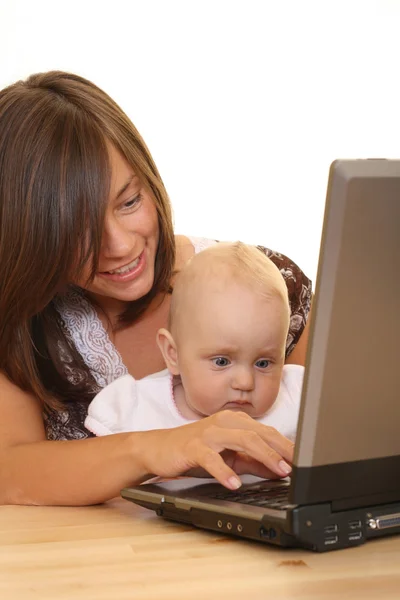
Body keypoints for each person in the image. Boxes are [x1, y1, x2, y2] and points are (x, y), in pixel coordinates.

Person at [0, 71, 312, 507]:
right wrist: (160, 446)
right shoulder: (20, 324)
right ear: (31, 235)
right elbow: (9, 472)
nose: (122, 245)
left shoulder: (272, 289)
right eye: (78, 230)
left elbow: (343, 443)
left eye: (129, 202)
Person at [85, 242, 304, 440]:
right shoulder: (135, 408)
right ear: (173, 353)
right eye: (221, 361)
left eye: (263, 363)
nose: (245, 382)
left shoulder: (296, 397)